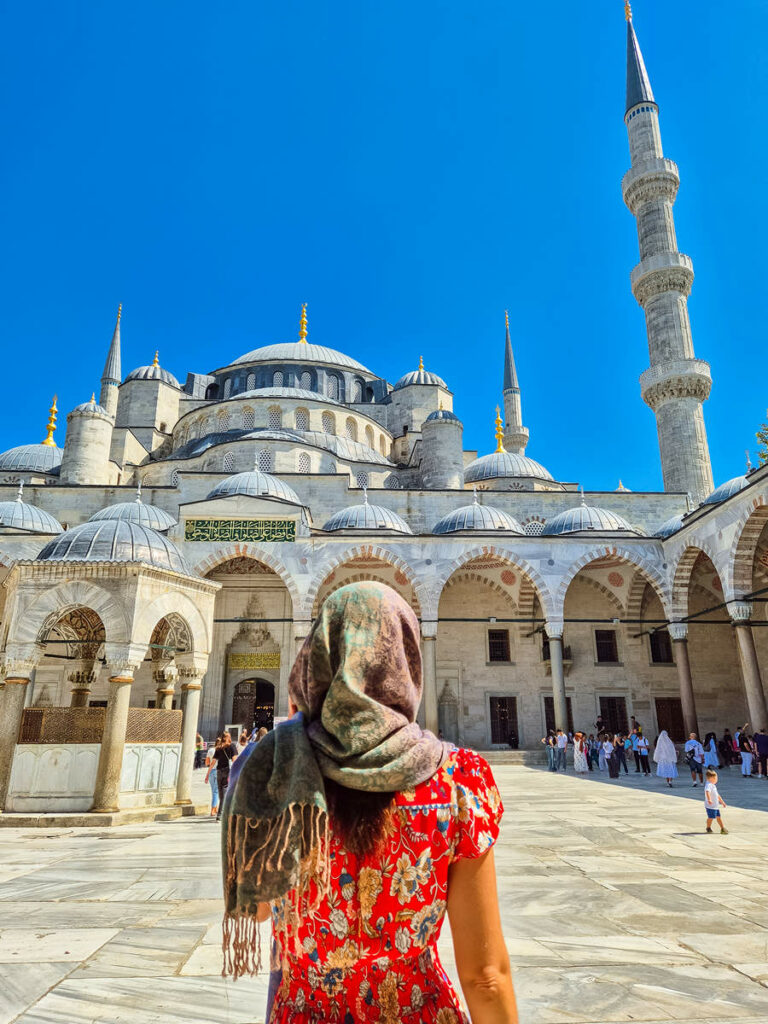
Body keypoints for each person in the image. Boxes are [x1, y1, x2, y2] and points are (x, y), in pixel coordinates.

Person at [221, 581, 518, 1023]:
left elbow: (258, 908)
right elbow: (485, 977)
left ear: (319, 658)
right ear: (405, 660)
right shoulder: (457, 781)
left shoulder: (272, 768)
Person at [212, 730, 238, 820]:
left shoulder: (218, 748)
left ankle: (223, 812)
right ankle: (220, 814)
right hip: (227, 771)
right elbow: (235, 760)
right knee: (225, 793)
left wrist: (208, 773)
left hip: (219, 771)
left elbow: (214, 761)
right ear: (228, 737)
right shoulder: (232, 746)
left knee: (221, 794)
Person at [704, 768, 728, 834]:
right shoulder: (708, 785)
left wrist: (722, 802)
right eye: (715, 778)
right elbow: (707, 792)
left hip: (715, 805)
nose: (716, 779)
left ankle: (722, 828)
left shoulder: (713, 785)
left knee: (718, 817)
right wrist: (709, 799)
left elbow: (717, 795)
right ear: (711, 778)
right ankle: (708, 827)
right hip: (710, 806)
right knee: (711, 817)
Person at [204, 736, 221, 816]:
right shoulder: (221, 750)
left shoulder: (210, 750)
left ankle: (215, 808)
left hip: (211, 772)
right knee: (216, 791)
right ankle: (213, 810)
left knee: (214, 791)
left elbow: (207, 763)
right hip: (218, 771)